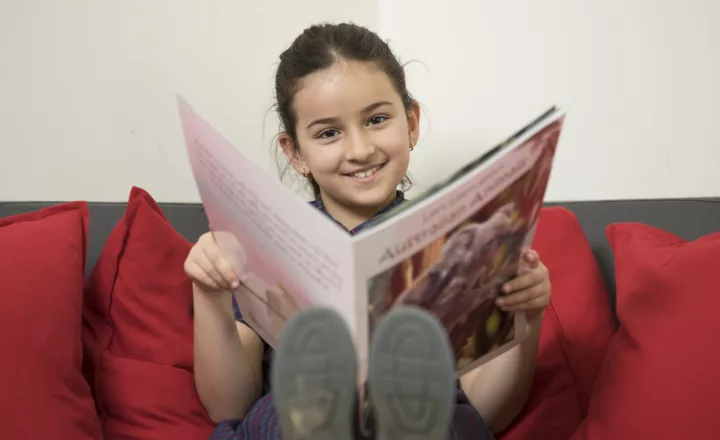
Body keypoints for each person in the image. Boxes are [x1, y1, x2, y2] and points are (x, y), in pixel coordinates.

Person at [184, 22, 551, 440]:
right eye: (328, 133)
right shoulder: (266, 243)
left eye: (377, 119)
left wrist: (525, 317)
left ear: (411, 122)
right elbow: (227, 404)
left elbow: (488, 411)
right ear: (296, 153)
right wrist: (209, 294)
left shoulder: (459, 240)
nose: (359, 150)